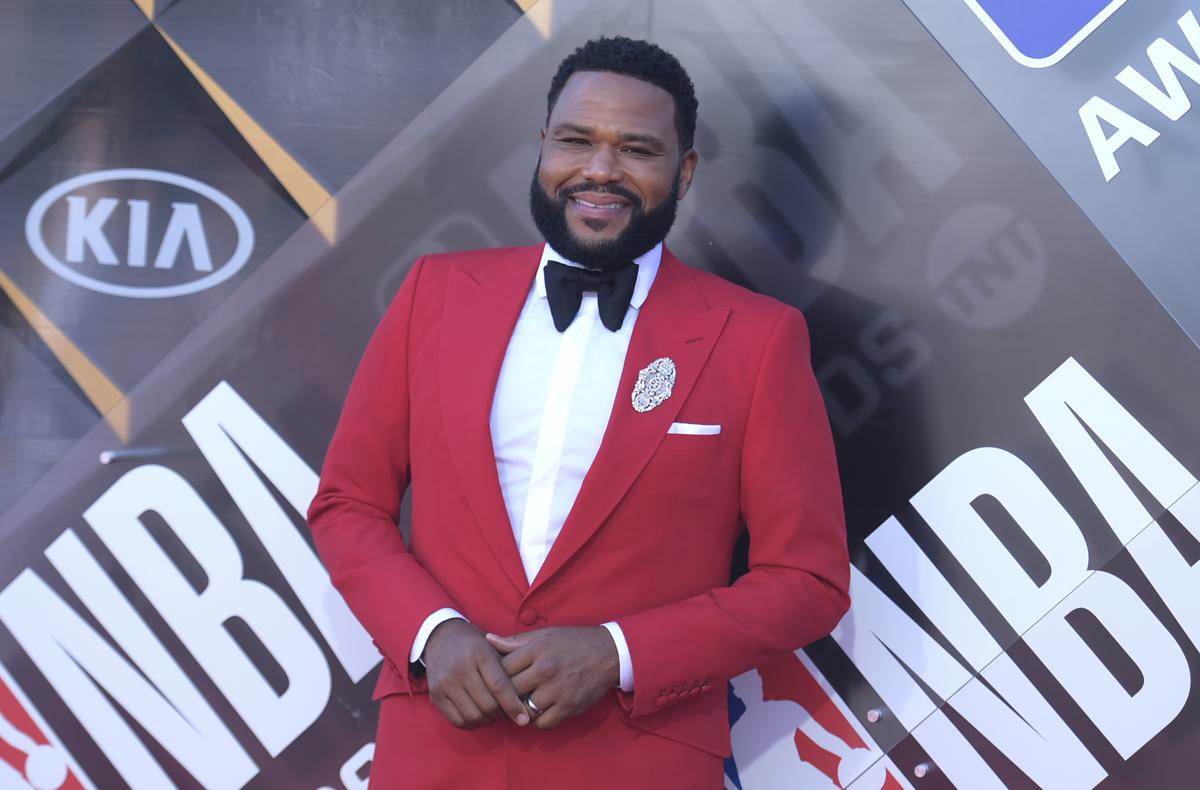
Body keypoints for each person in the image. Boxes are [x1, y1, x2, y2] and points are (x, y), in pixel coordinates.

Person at [308, 36, 850, 789]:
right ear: (542, 147)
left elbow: (806, 580)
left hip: (636, 761)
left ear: (684, 171)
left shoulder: (757, 339)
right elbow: (347, 504)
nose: (599, 170)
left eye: (636, 149)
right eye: (575, 141)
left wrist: (619, 652)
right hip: (435, 750)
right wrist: (432, 634)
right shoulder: (437, 293)